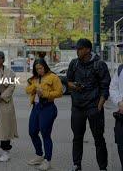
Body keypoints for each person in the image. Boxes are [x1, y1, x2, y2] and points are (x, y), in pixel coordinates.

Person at [67, 38, 111, 171]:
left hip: (93, 107)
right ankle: (77, 165)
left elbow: (105, 87)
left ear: (87, 50)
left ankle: (103, 167)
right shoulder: (74, 64)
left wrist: (99, 105)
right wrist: (74, 85)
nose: (77, 51)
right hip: (77, 107)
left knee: (98, 138)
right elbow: (68, 81)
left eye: (79, 49)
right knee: (77, 138)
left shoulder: (99, 64)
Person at [25, 58, 62, 170]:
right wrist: (34, 86)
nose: (39, 70)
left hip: (48, 107)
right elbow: (27, 90)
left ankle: (47, 160)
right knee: (32, 132)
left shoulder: (53, 77)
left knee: (45, 134)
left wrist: (45, 93)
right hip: (36, 107)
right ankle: (39, 155)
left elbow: (59, 92)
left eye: (41, 68)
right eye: (37, 69)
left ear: (45, 66)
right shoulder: (34, 78)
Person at [110, 63, 123, 171]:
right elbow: (113, 88)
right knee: (121, 145)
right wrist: (119, 102)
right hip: (122, 116)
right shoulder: (120, 69)